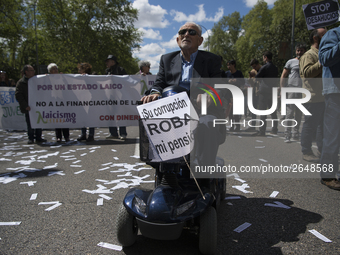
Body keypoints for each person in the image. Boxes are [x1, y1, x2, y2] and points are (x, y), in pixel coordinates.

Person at [141, 22, 225, 172]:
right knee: (155, 122)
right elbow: (159, 83)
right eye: (182, 32)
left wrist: (208, 95)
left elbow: (218, 86)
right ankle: (165, 171)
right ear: (178, 39)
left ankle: (204, 174)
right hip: (173, 111)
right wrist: (154, 92)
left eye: (192, 32)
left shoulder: (212, 59)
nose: (186, 34)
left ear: (200, 41)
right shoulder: (167, 59)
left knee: (209, 123)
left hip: (202, 111)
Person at [299, 28, 327, 163]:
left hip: (324, 96)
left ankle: (322, 151)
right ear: (316, 38)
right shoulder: (309, 55)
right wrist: (322, 61)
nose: (327, 36)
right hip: (312, 97)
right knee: (310, 125)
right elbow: (308, 73)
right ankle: (306, 151)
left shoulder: (323, 52)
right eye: (324, 34)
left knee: (323, 126)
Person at [318, 26, 340, 190]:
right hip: (335, 92)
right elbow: (324, 58)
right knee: (333, 135)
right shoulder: (333, 34)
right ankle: (328, 175)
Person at [280, 44, 307, 143]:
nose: (299, 52)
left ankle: (296, 132)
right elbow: (284, 75)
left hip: (303, 90)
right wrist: (282, 89)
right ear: (296, 51)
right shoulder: (291, 62)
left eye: (302, 50)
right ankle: (287, 134)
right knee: (290, 112)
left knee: (299, 113)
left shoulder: (307, 61)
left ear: (305, 51)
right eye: (298, 50)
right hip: (292, 88)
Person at [15, 65, 47, 144]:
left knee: (39, 121)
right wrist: (25, 105)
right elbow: (18, 95)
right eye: (31, 70)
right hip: (28, 106)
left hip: (38, 105)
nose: (33, 72)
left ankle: (39, 137)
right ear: (26, 72)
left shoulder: (37, 80)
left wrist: (46, 78)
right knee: (30, 123)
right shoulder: (21, 83)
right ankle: (31, 137)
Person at [255, 51, 279, 136]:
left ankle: (262, 131)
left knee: (262, 111)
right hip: (272, 90)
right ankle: (275, 128)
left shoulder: (264, 67)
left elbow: (257, 77)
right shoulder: (275, 67)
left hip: (264, 90)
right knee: (273, 111)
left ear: (265, 57)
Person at [104, 55, 128, 140]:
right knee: (110, 115)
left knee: (120, 114)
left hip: (119, 96)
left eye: (108, 61)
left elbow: (126, 80)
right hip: (110, 96)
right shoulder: (107, 71)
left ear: (113, 62)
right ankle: (113, 133)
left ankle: (123, 133)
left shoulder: (120, 70)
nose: (106, 63)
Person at [47, 63, 70, 143]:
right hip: (53, 101)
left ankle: (66, 136)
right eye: (53, 69)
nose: (55, 70)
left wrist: (64, 78)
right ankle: (58, 137)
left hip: (63, 101)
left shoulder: (62, 78)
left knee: (64, 118)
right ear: (50, 71)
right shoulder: (48, 79)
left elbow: (68, 86)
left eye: (56, 68)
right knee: (57, 118)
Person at [76, 62, 96, 142]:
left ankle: (91, 135)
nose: (78, 71)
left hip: (90, 100)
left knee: (91, 118)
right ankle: (83, 134)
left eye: (80, 69)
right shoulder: (78, 78)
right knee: (82, 117)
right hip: (82, 100)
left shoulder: (92, 77)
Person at [225, 60, 244, 132]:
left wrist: (236, 81)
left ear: (234, 65)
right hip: (229, 94)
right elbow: (223, 81)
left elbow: (243, 82)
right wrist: (228, 81)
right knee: (230, 111)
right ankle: (232, 126)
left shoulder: (239, 73)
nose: (228, 67)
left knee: (236, 112)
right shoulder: (226, 73)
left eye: (229, 65)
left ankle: (238, 126)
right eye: (227, 65)